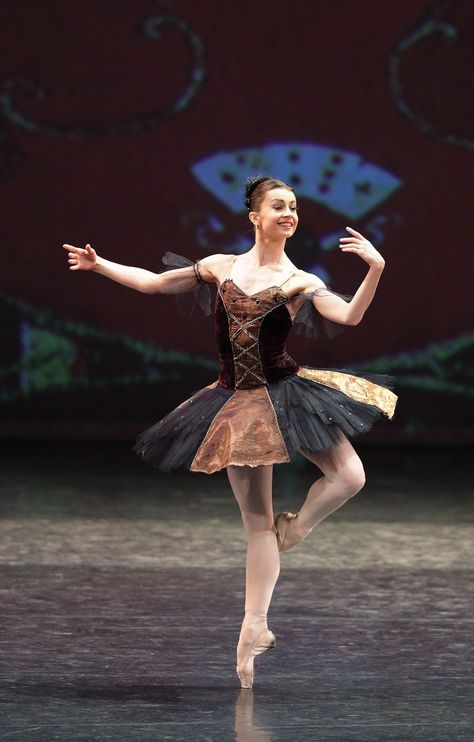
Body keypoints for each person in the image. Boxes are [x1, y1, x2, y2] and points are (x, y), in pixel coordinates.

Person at [63, 175, 398, 689]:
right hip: (236, 405)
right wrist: (98, 264)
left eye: (294, 207)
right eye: (279, 206)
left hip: (288, 392)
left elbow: (349, 316)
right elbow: (155, 283)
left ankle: (299, 528)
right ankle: (253, 630)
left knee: (349, 476)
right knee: (256, 524)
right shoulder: (221, 267)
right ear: (255, 217)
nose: (289, 213)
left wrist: (374, 268)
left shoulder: (302, 281)